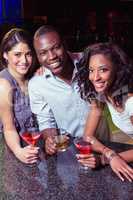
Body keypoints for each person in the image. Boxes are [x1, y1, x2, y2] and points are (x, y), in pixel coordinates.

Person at [28, 25, 110, 155]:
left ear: (65, 44)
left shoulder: (89, 62)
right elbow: (46, 120)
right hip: (69, 149)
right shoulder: (36, 84)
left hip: (103, 143)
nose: (51, 56)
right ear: (37, 56)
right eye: (43, 53)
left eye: (56, 47)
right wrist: (50, 139)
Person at [77, 42, 133, 181]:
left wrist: (104, 160)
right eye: (91, 70)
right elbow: (88, 137)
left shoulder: (130, 102)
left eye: (103, 70)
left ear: (117, 70)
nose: (95, 77)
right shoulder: (102, 94)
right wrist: (109, 153)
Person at [0, 28, 40, 164]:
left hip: (38, 146)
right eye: (17, 54)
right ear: (5, 55)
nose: (24, 60)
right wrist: (19, 151)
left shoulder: (34, 76)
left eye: (28, 54)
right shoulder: (4, 85)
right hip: (16, 149)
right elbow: (9, 128)